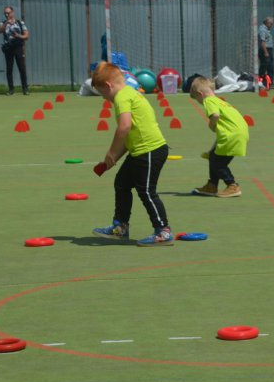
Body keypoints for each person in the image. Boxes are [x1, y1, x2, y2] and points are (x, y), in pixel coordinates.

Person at [90, 62, 173, 247]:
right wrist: (114, 158)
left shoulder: (121, 98)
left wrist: (111, 151)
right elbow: (130, 137)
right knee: (122, 183)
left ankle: (163, 231)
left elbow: (124, 127)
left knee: (146, 191)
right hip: (139, 150)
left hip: (150, 150)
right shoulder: (131, 93)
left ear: (109, 86)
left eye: (103, 94)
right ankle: (120, 227)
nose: (105, 99)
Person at [190, 77, 249, 198]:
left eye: (197, 100)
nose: (200, 102)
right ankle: (212, 185)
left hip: (231, 135)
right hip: (239, 133)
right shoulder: (221, 101)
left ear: (200, 94)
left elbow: (215, 116)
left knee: (218, 163)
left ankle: (232, 185)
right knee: (214, 157)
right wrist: (211, 150)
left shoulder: (209, 101)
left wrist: (211, 125)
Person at [0, 6, 29, 95]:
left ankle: (25, 89)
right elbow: (0, 30)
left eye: (8, 12)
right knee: (9, 69)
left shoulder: (20, 23)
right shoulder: (3, 23)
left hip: (18, 47)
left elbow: (26, 36)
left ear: (12, 12)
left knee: (22, 68)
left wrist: (18, 36)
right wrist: (6, 23)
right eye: (5, 13)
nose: (6, 14)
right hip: (8, 48)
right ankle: (11, 89)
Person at [258, 17, 274, 88]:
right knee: (264, 67)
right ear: (266, 22)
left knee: (270, 67)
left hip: (269, 50)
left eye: (272, 24)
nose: (271, 25)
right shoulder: (262, 29)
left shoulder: (267, 29)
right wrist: (265, 52)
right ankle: (261, 83)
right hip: (265, 50)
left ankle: (269, 83)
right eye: (271, 24)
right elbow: (262, 42)